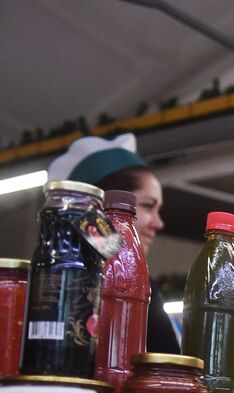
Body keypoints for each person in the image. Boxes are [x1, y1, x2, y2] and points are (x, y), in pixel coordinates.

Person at [46, 134, 180, 354]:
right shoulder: (59, 277)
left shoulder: (139, 284)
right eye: (148, 206)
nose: (158, 223)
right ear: (105, 206)